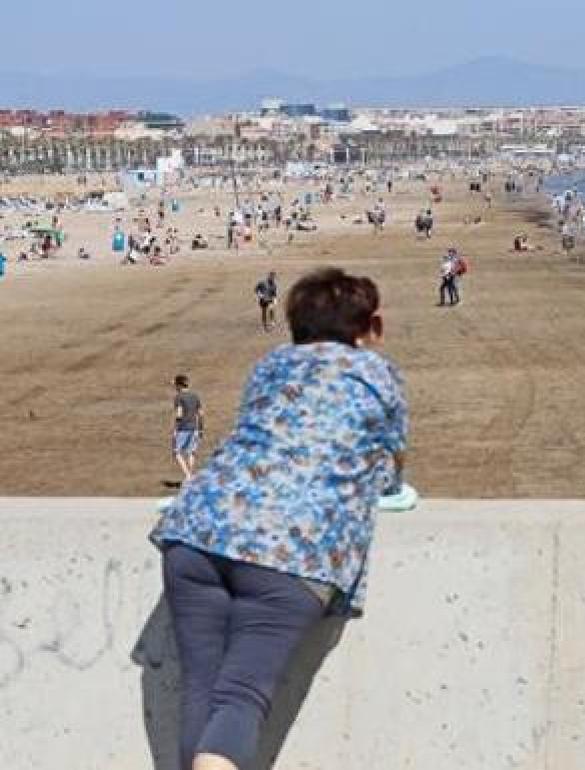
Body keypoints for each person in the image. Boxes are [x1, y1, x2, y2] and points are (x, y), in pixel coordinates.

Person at [151, 268, 407, 770]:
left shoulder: (270, 364)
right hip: (292, 549)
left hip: (196, 529)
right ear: (369, 327)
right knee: (241, 698)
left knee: (202, 695)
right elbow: (392, 458)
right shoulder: (377, 374)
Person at [171, 374, 205, 482]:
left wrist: (175, 429)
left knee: (176, 452)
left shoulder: (179, 397)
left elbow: (179, 415)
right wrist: (201, 429)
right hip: (194, 428)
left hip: (183, 428)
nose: (175, 387)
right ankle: (191, 475)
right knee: (191, 452)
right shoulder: (195, 396)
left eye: (176, 385)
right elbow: (201, 413)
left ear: (179, 385)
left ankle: (188, 476)